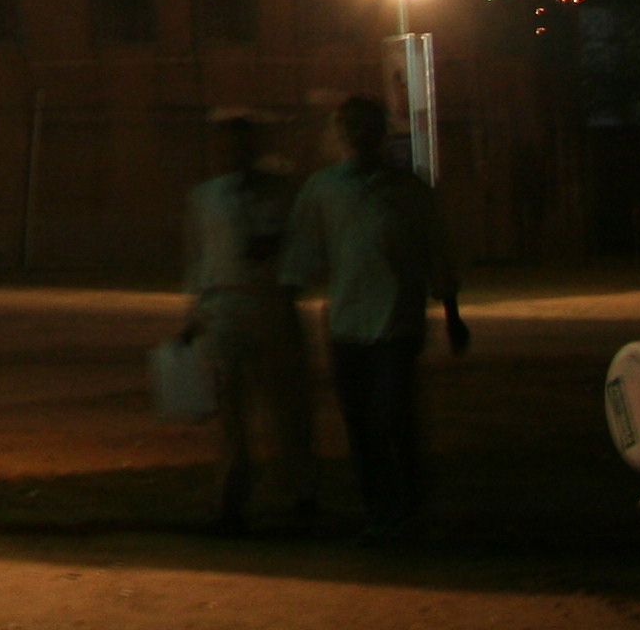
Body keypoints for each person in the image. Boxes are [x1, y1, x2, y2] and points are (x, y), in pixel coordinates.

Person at [280, 94, 465, 539]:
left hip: (396, 324)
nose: (356, 136)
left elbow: (437, 252)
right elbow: (300, 253)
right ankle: (381, 509)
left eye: (365, 127)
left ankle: (403, 502)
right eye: (349, 127)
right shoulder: (325, 189)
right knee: (361, 422)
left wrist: (452, 312)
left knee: (390, 414)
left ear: (379, 134)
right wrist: (285, 307)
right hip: (347, 326)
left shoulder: (408, 191)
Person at [181, 113, 315, 532]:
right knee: (232, 414)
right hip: (226, 311)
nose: (229, 153)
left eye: (237, 145)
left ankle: (301, 494)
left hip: (272, 305)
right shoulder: (206, 198)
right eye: (223, 146)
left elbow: (302, 247)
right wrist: (195, 316)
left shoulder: (281, 193)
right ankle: (232, 500)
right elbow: (199, 259)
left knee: (287, 408)